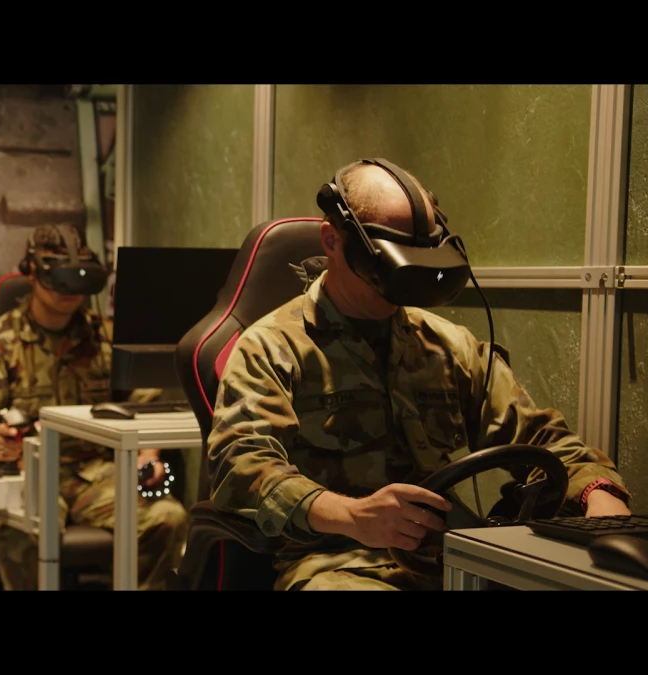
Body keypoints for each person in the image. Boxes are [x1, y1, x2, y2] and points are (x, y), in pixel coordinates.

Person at [207, 159, 633, 591]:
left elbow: (542, 439)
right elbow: (242, 466)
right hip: (340, 562)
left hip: (456, 555)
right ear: (332, 241)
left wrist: (599, 498)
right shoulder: (271, 348)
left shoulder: (450, 347)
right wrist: (352, 516)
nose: (400, 285)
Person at [0, 224, 189, 590]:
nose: (69, 291)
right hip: (30, 470)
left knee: (167, 517)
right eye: (58, 278)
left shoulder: (108, 338)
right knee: (26, 527)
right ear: (31, 273)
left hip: (99, 472)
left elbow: (147, 405)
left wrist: (148, 455)